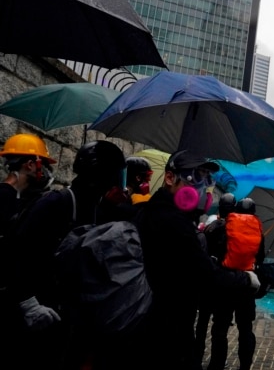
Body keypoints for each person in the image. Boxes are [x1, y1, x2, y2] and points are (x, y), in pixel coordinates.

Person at [8, 140, 129, 370]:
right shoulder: (57, 203)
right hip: (38, 317)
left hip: (66, 317)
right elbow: (17, 251)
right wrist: (27, 302)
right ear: (103, 175)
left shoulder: (95, 209)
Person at [134, 150, 259, 370]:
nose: (203, 186)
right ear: (170, 177)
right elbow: (206, 273)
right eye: (196, 177)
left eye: (207, 178)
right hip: (167, 328)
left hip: (157, 322)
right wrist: (246, 279)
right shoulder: (174, 222)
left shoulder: (155, 211)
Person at [0, 133, 57, 369]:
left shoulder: (18, 198)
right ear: (30, 164)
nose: (44, 172)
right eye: (42, 164)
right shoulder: (4, 197)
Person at [206, 197, 265, 370]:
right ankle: (245, 365)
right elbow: (260, 258)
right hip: (247, 285)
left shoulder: (225, 227)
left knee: (220, 328)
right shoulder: (258, 231)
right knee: (246, 329)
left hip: (226, 284)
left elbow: (215, 253)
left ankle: (216, 365)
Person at [194, 192, 238, 365]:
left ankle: (196, 359)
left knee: (201, 325)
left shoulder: (210, 228)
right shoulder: (238, 232)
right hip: (227, 285)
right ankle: (217, 364)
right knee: (220, 329)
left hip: (208, 283)